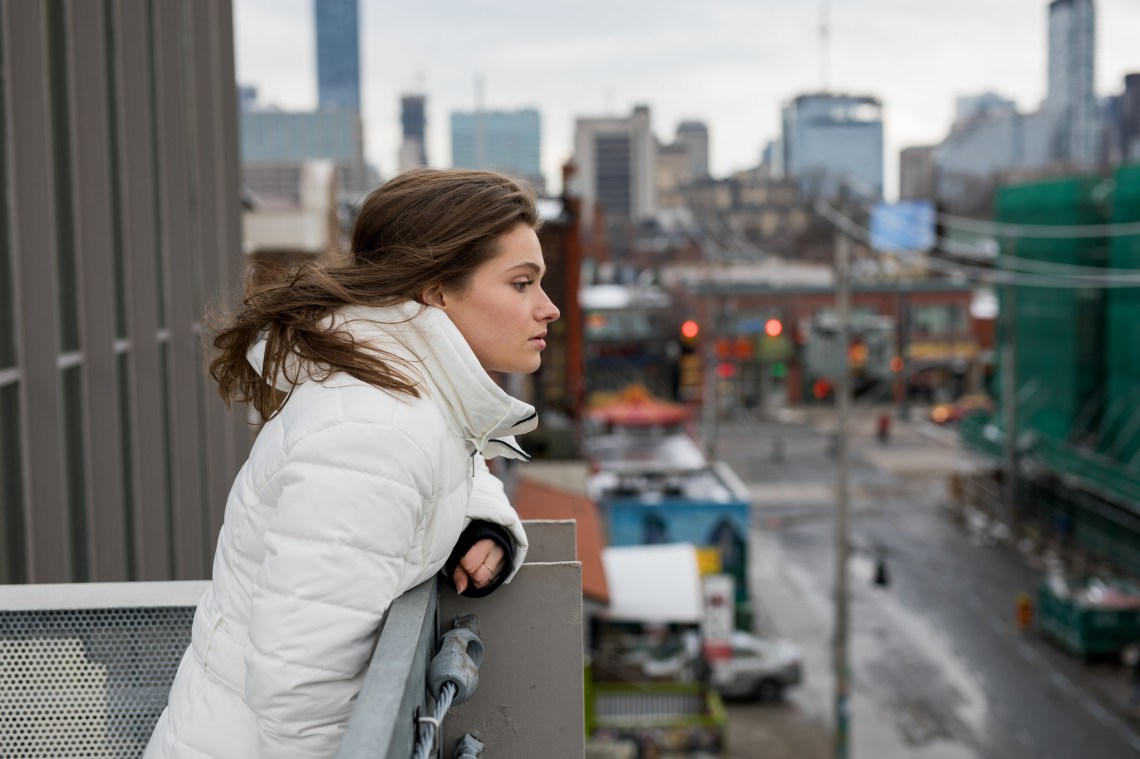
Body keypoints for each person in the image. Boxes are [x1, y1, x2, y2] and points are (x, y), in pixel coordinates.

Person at [145, 168, 560, 758]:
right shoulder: (374, 429)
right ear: (436, 292)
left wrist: (482, 525)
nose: (549, 309)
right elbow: (301, 694)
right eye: (522, 283)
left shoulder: (400, 389)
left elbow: (456, 464)